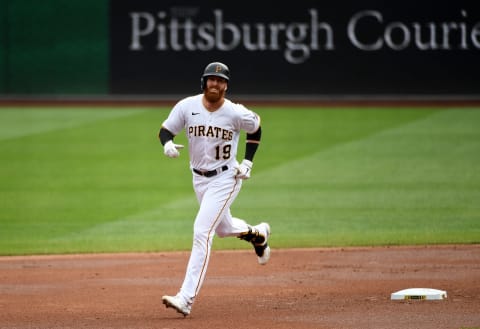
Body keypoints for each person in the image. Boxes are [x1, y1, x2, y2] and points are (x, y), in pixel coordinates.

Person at [158, 61, 271, 317]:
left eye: (220, 81)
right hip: (198, 179)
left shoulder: (235, 112)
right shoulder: (187, 106)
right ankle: (258, 234)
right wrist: (167, 144)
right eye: (211, 79)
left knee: (202, 232)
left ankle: (185, 299)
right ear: (204, 82)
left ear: (226, 86)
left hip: (226, 178)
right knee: (222, 228)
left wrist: (248, 162)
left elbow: (256, 128)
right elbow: (166, 130)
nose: (215, 84)